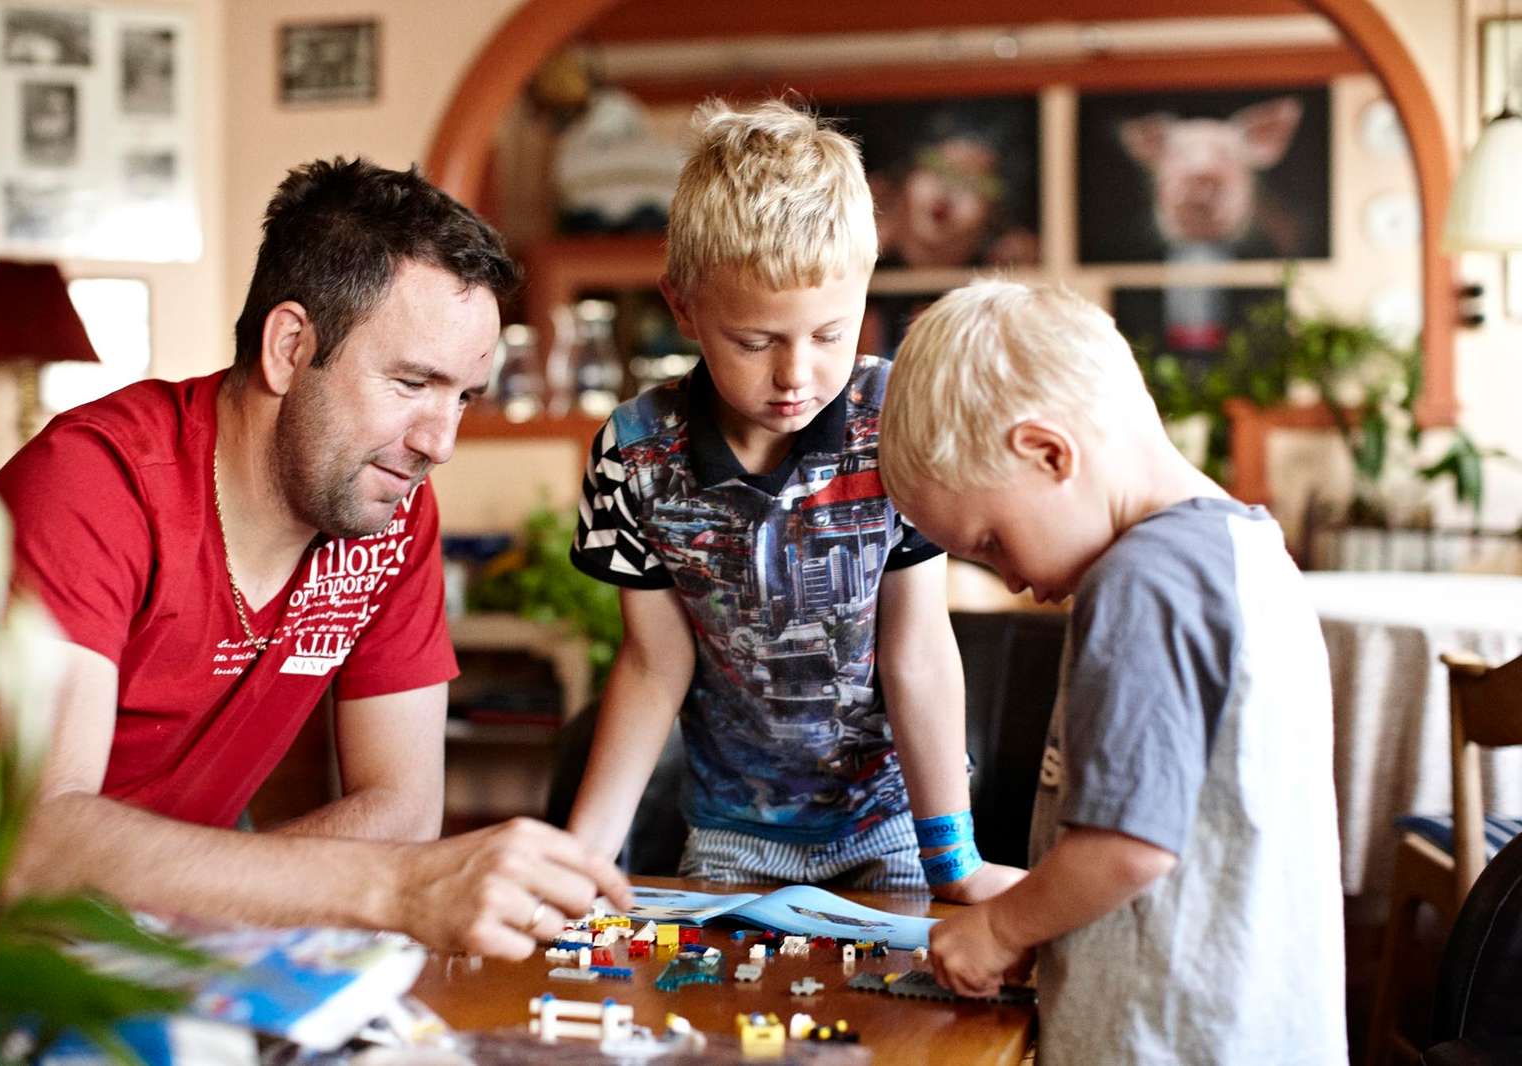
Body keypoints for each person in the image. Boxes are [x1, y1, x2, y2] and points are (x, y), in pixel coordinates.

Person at [0, 157, 630, 956]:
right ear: (290, 346)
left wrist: (239, 890)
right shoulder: (94, 482)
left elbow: (401, 806)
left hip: (156, 931)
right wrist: (394, 888)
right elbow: (37, 844)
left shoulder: (390, 510)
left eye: (462, 397)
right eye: (410, 383)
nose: (441, 443)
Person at [880, 279, 1347, 1064]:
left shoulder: (1143, 583)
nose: (1010, 580)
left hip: (1168, 1036)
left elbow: (1127, 844)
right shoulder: (1244, 549)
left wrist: (1001, 925)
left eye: (990, 541)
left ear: (1049, 453)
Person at [565, 99, 1009, 903]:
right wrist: (585, 857)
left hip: (893, 824)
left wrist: (954, 859)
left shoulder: (894, 423)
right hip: (733, 832)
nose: (795, 374)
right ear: (684, 307)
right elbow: (652, 663)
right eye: (756, 341)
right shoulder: (632, 456)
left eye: (830, 334)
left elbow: (917, 651)